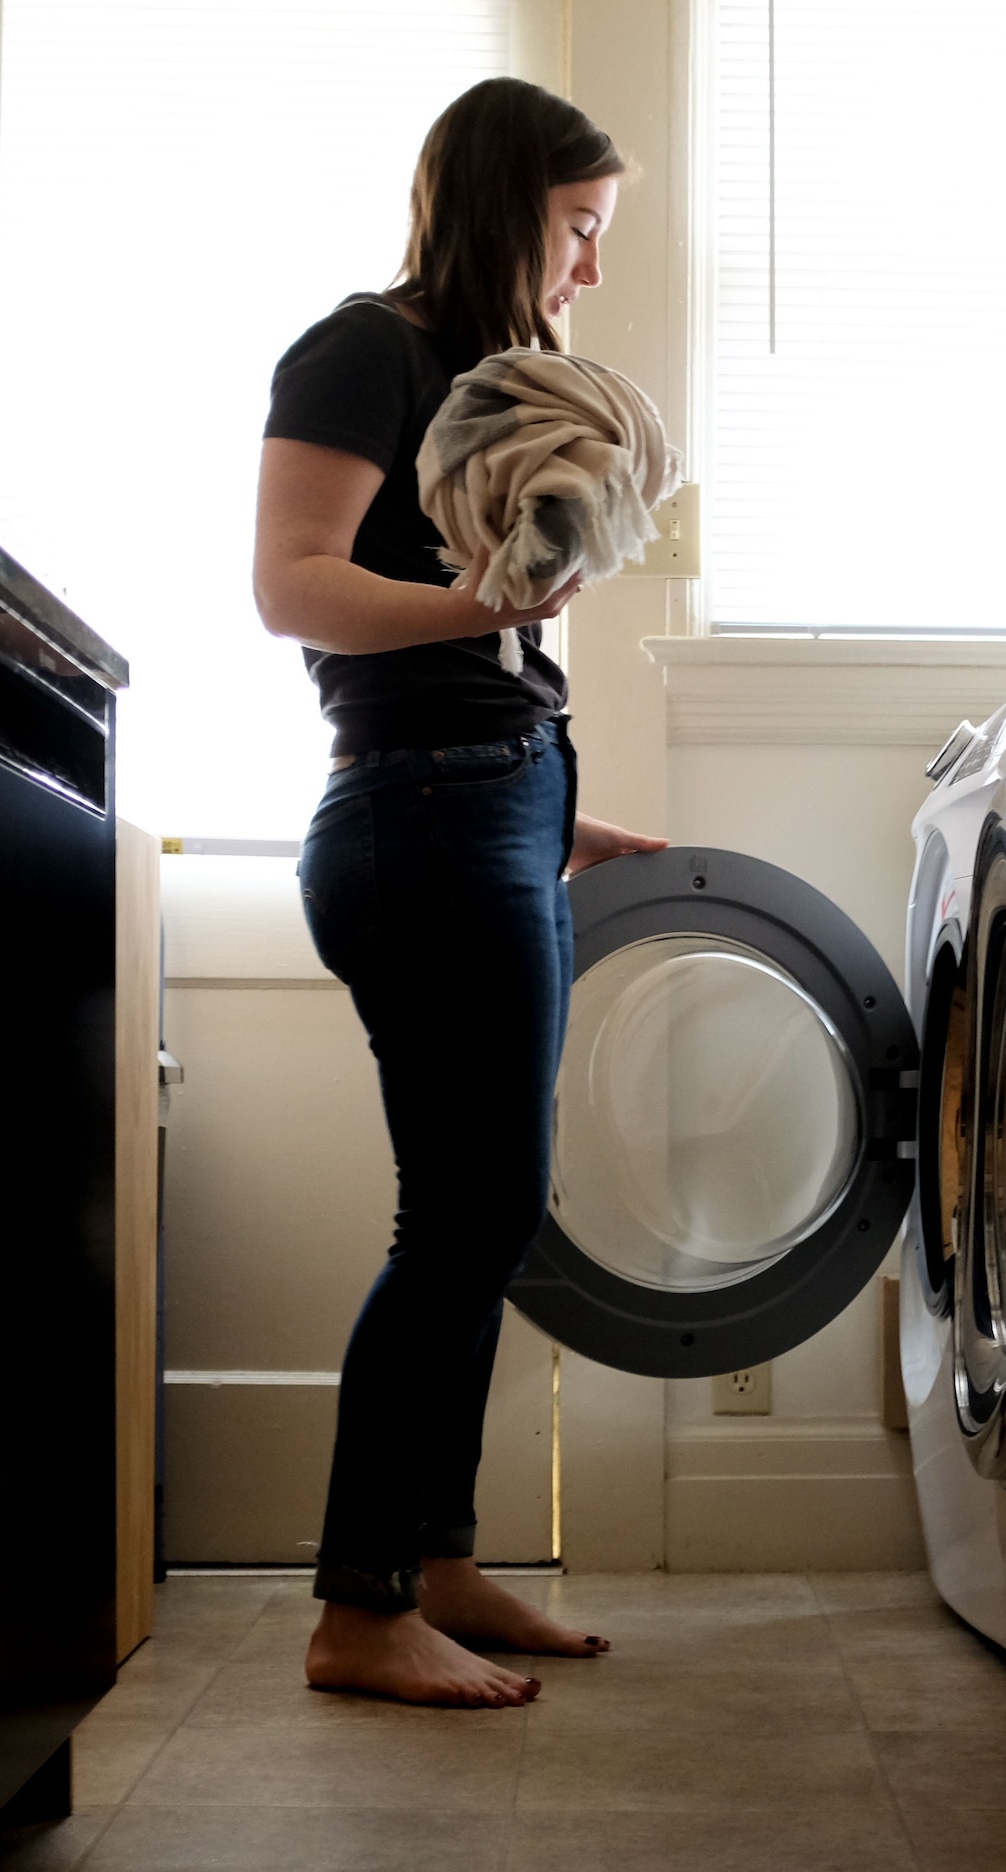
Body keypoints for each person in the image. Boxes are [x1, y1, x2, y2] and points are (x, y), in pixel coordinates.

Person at [252, 78, 665, 1707]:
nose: (588, 268)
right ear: (509, 205)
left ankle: (433, 1559)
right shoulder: (367, 348)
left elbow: (474, 656)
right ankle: (359, 1605)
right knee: (468, 1217)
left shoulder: (501, 392)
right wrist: (494, 604)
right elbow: (290, 586)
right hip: (420, 822)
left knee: (485, 1215)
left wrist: (556, 809)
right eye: (578, 230)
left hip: (484, 810)